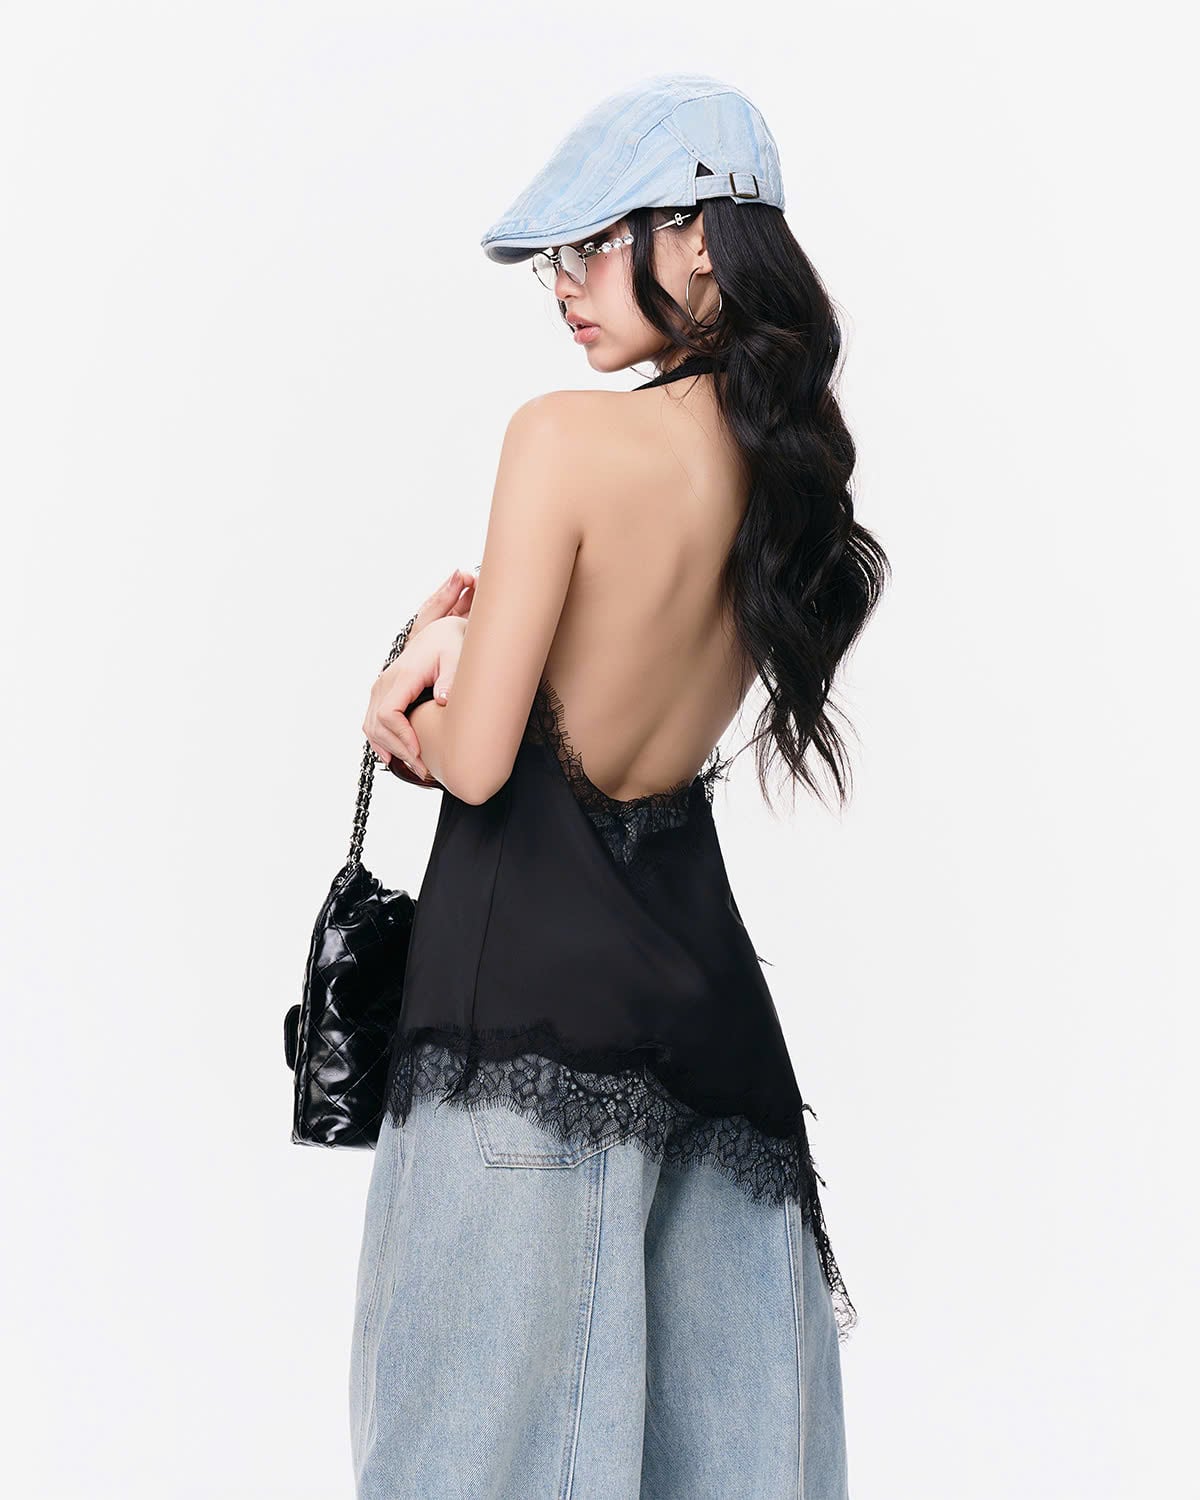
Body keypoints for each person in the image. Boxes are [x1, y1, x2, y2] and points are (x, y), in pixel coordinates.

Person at [352, 72, 889, 1500]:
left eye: (596, 243)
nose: (565, 284)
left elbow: (480, 761)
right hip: (714, 1047)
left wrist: (407, 682)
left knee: (473, 1466)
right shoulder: (785, 482)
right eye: (557, 258)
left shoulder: (565, 438)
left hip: (519, 1040)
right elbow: (621, 696)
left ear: (700, 237)